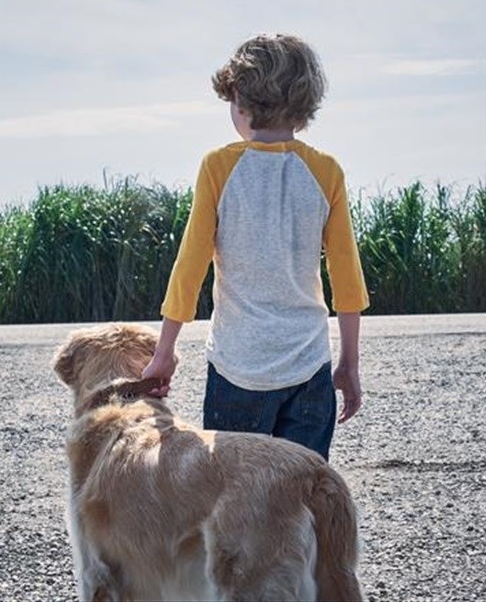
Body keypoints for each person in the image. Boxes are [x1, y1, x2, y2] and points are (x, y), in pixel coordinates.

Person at [141, 33, 369, 461]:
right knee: (299, 501)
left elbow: (189, 269)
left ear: (242, 101)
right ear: (304, 103)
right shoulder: (326, 172)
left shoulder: (218, 167)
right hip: (308, 366)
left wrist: (164, 353)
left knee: (234, 507)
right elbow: (346, 280)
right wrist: (349, 364)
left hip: (237, 368)